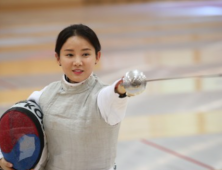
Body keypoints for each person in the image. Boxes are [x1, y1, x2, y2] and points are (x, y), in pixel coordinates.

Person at [0, 24, 142, 170]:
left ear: (97, 56)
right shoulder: (45, 95)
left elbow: (114, 94)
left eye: (85, 54)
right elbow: (13, 126)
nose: (77, 62)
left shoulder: (103, 97)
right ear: (58, 58)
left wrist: (123, 86)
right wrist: (4, 160)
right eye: (69, 55)